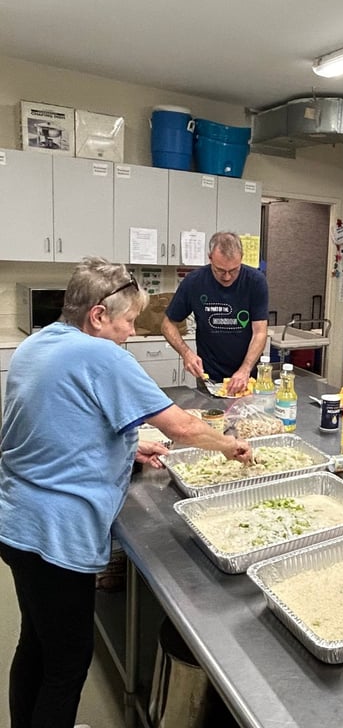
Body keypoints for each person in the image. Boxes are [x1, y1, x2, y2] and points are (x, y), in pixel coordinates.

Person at [0, 257, 252, 728]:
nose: (132, 333)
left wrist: (127, 444)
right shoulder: (101, 353)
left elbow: (60, 421)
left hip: (14, 520)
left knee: (35, 642)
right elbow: (180, 426)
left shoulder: (40, 343)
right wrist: (229, 446)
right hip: (56, 532)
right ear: (98, 315)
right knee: (68, 662)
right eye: (129, 321)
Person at [162, 231, 268, 396]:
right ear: (210, 258)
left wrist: (245, 369)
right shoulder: (194, 282)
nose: (227, 277)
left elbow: (260, 332)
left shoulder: (255, 281)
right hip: (208, 376)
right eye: (220, 270)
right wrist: (186, 353)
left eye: (233, 270)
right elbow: (168, 324)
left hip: (248, 376)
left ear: (241, 257)